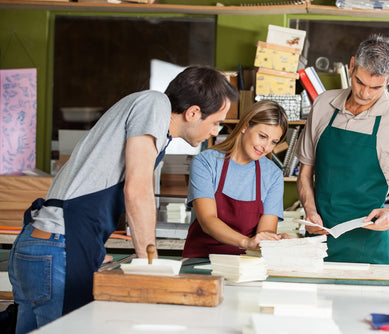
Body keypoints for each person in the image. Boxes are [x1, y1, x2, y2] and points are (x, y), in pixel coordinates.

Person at [8, 65, 239, 333]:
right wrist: (149, 265)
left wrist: (93, 251)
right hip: (57, 250)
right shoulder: (155, 104)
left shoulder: (151, 122)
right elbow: (137, 189)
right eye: (215, 122)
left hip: (39, 246)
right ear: (193, 113)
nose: (215, 131)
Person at [294, 34, 389, 264]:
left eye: (376, 87)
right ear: (352, 65)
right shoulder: (323, 104)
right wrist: (310, 210)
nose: (365, 94)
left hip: (369, 250)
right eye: (359, 82)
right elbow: (305, 173)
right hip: (318, 243)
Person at [182, 100, 290, 258]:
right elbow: (207, 220)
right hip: (201, 262)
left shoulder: (273, 174)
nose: (266, 147)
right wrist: (246, 242)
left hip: (245, 265)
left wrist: (276, 240)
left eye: (273, 142)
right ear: (245, 126)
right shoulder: (206, 162)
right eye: (262, 136)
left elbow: (265, 233)